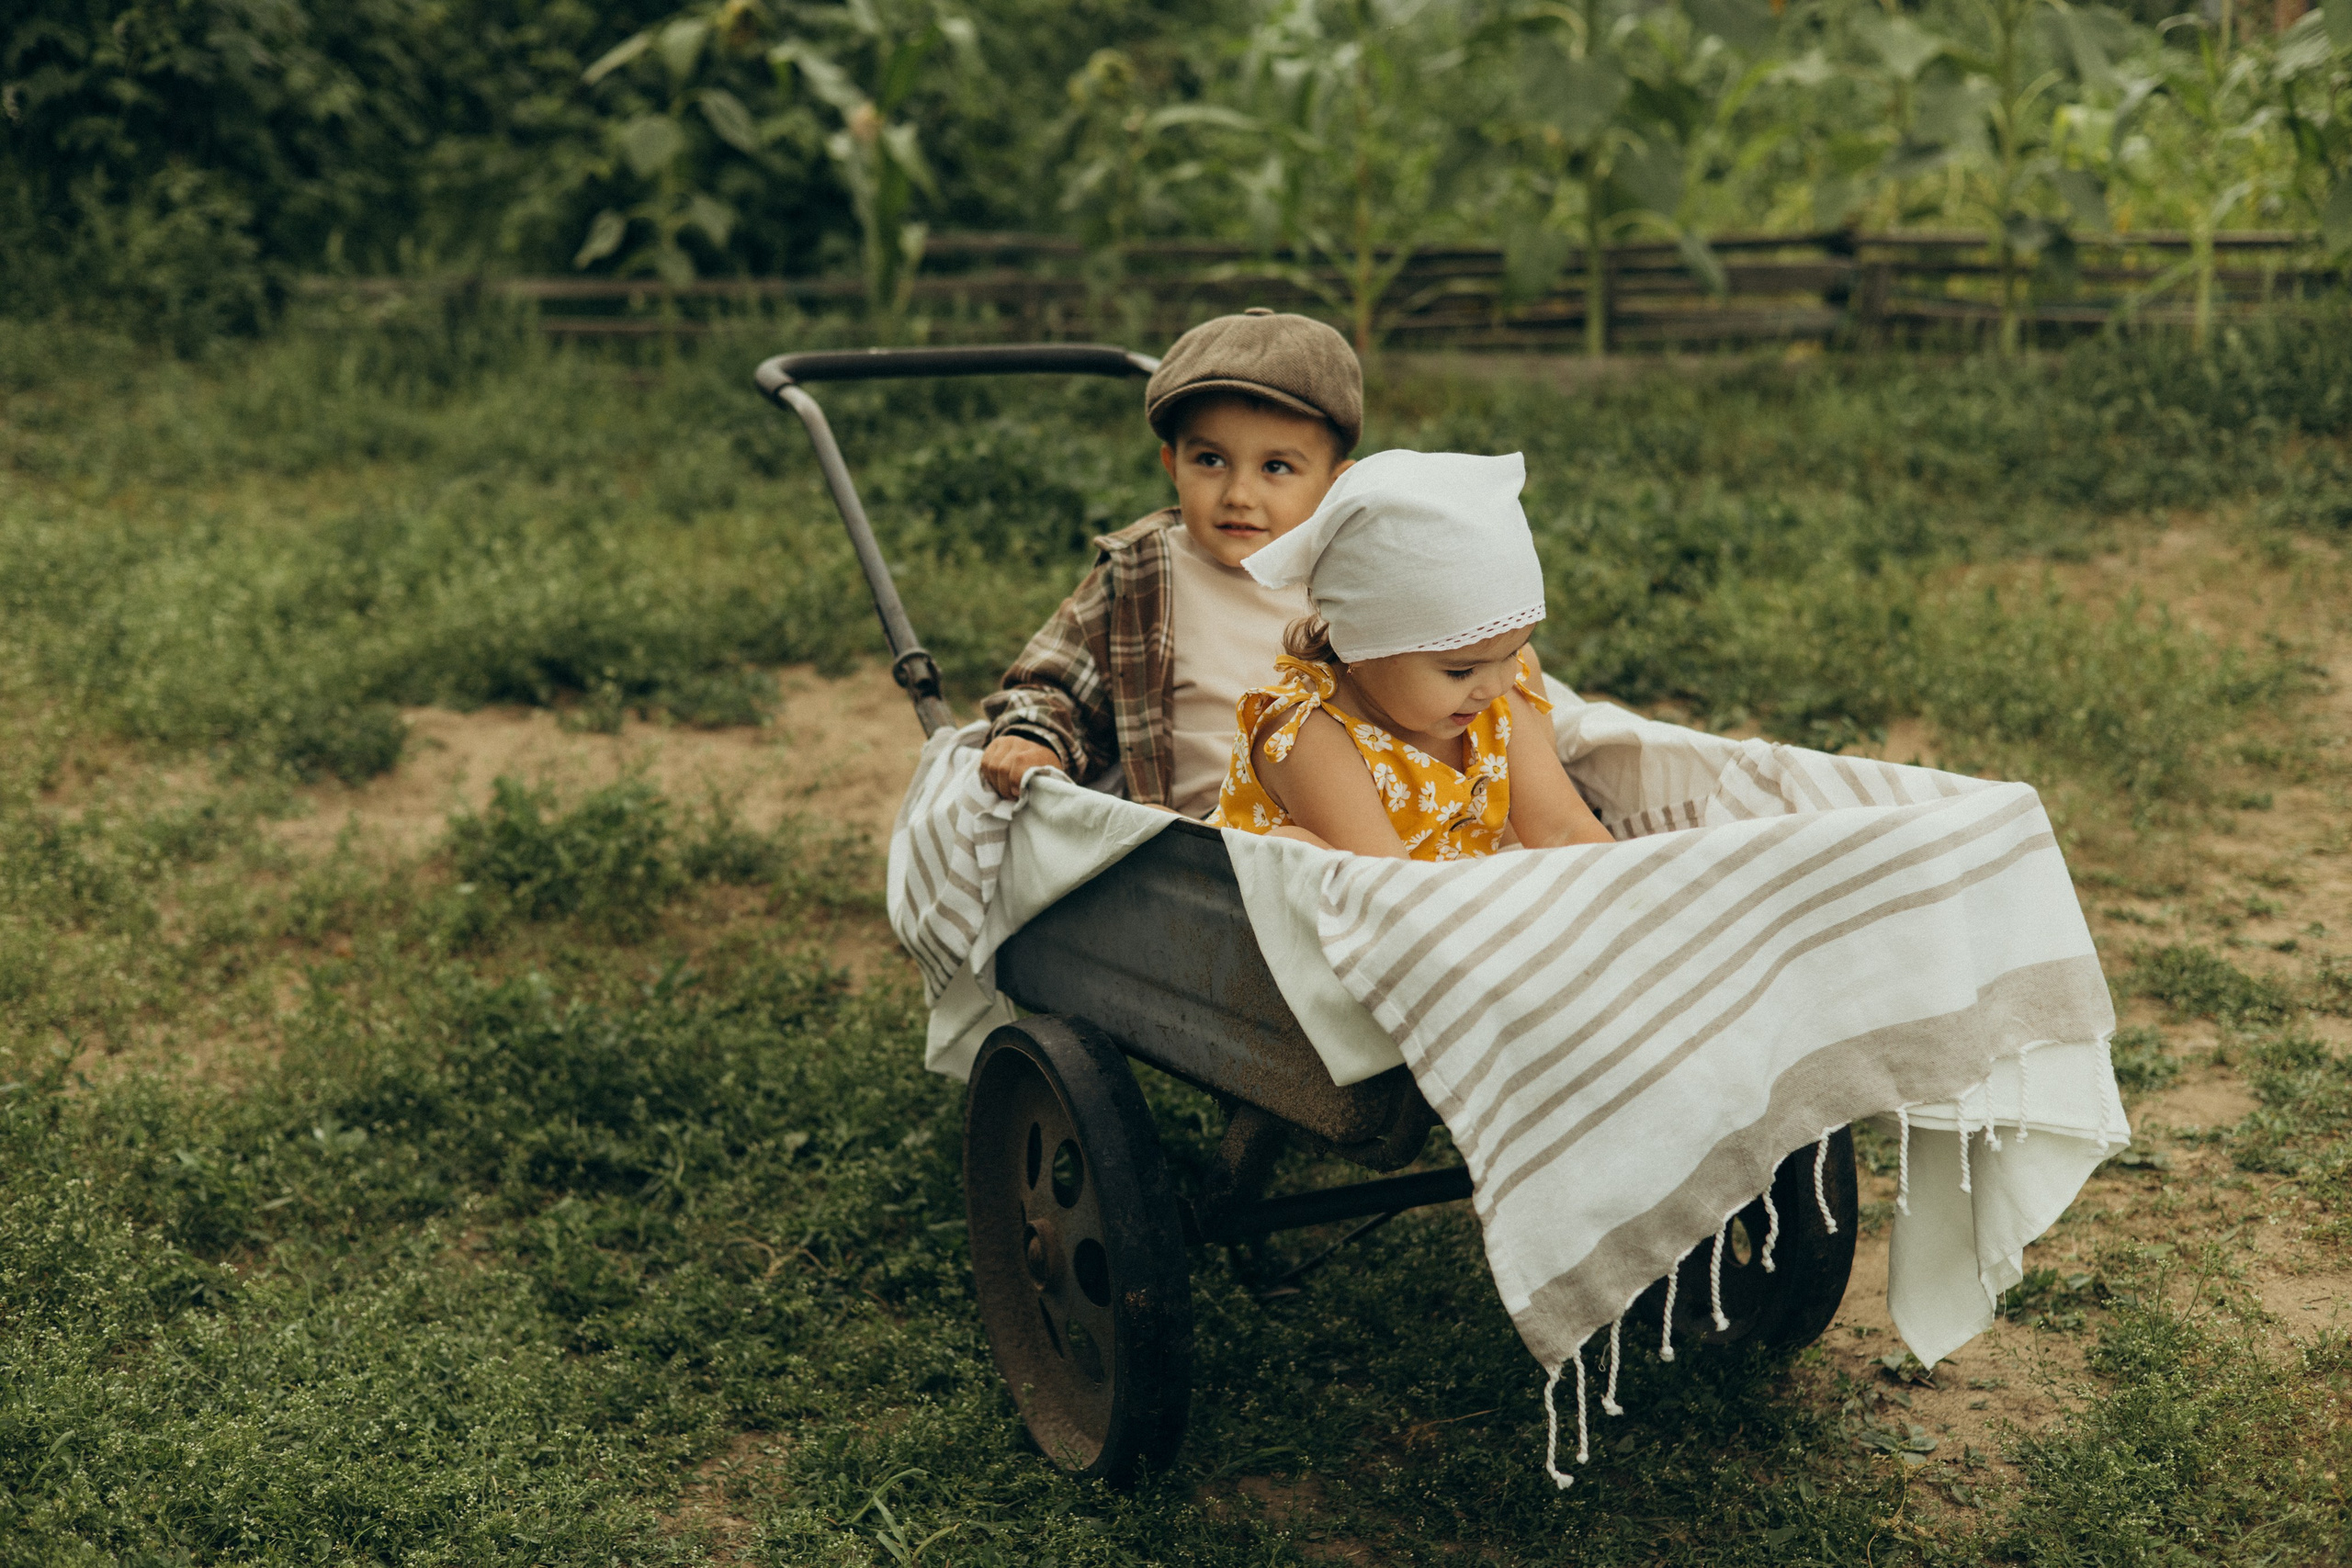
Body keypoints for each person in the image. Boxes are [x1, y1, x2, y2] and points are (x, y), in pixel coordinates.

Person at [977, 309, 1362, 815]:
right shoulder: (1144, 574)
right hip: (1203, 838)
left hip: (1348, 821)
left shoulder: (1354, 578)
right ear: (1171, 466)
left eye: (1276, 467)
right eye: (1210, 461)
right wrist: (1036, 737)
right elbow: (1057, 684)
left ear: (1336, 484)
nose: (1239, 494)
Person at [1209, 449, 1615, 860]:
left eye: (1512, 654)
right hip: (1361, 904)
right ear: (1364, 649)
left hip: (1444, 895)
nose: (1497, 685)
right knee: (1291, 850)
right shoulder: (1310, 739)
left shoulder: (1491, 703)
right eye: (1461, 670)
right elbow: (1391, 893)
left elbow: (1564, 831)